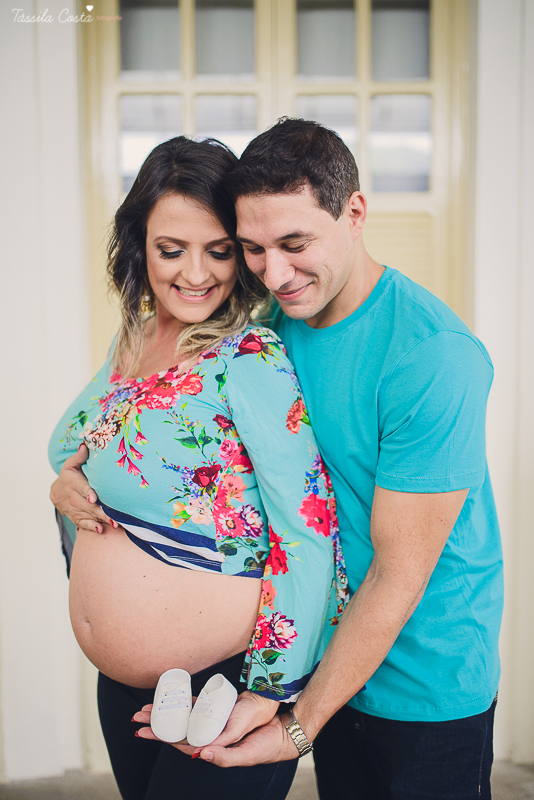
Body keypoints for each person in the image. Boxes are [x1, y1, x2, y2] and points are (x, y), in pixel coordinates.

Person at [152, 118, 501, 800]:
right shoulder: (274, 329)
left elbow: (399, 576)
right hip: (329, 663)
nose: (274, 273)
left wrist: (299, 726)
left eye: (294, 243)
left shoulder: (432, 356)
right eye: (253, 248)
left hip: (427, 686)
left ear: (356, 212)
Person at [48, 135, 347, 800]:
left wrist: (271, 691)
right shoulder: (135, 337)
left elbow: (307, 530)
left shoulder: (248, 356)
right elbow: (69, 444)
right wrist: (64, 484)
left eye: (218, 250)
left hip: (226, 680)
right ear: (139, 246)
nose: (196, 273)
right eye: (170, 249)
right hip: (125, 683)